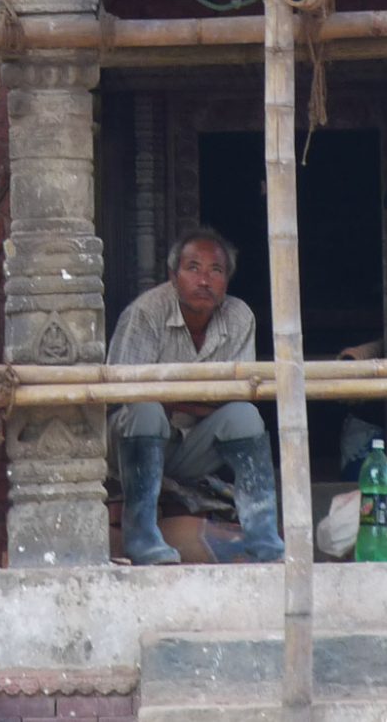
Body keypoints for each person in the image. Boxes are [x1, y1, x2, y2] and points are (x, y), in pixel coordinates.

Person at [106, 227, 284, 565]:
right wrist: (196, 400)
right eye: (193, 268)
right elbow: (122, 394)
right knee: (146, 410)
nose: (204, 280)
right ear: (173, 276)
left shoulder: (239, 315)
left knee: (245, 416)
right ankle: (141, 536)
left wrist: (168, 397)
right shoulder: (145, 313)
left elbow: (240, 395)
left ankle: (264, 540)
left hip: (188, 447)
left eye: (215, 270)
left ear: (227, 280)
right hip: (127, 444)